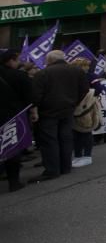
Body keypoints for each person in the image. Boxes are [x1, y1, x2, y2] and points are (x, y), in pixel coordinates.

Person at [31, 50, 90, 182]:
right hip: (68, 109)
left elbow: (36, 95)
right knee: (65, 139)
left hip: (48, 112)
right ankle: (65, 166)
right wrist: (74, 102)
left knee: (50, 141)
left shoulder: (43, 73)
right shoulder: (77, 71)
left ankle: (52, 170)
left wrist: (35, 109)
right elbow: (84, 89)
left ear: (49, 60)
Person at [0, 49, 33, 191]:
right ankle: (14, 182)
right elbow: (30, 98)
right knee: (12, 147)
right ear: (11, 60)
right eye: (17, 59)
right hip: (13, 117)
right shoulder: (19, 76)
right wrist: (33, 112)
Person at [70, 58, 99, 167]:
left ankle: (87, 156)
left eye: (87, 65)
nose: (86, 67)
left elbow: (99, 89)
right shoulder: (73, 76)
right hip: (74, 107)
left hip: (86, 107)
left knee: (86, 130)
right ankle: (78, 156)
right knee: (76, 132)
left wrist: (88, 98)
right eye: (84, 65)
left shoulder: (91, 76)